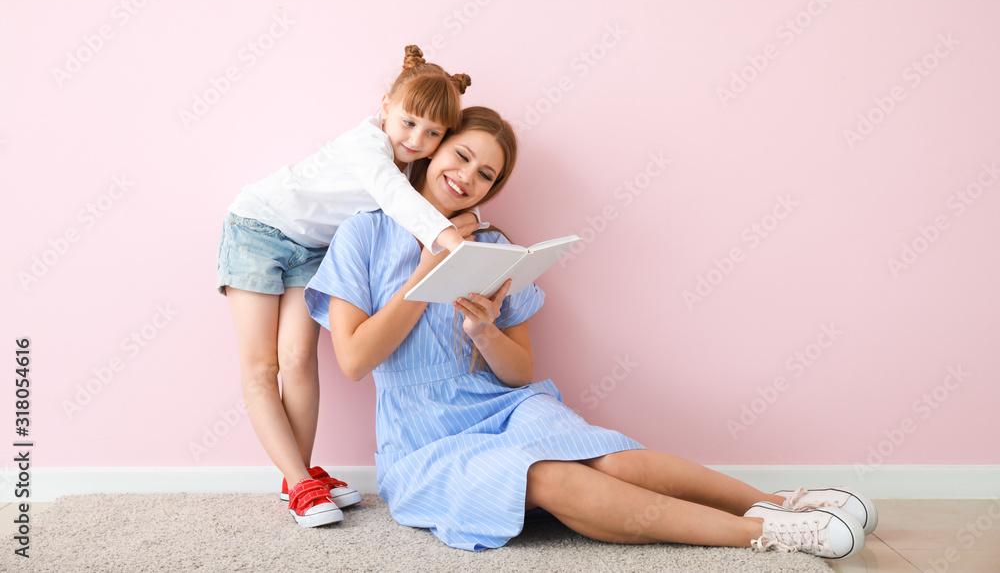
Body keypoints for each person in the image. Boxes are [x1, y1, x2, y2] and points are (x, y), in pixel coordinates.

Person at [303, 107, 878, 558]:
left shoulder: (495, 250)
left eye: (486, 174)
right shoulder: (363, 235)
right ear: (430, 151)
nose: (467, 178)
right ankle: (760, 535)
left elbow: (519, 372)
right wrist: (432, 262)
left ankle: (783, 504)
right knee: (549, 477)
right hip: (422, 441)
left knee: (609, 459)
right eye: (461, 156)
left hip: (501, 407)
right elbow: (354, 361)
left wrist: (483, 332)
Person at [216, 46, 476, 527]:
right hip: (258, 229)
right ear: (385, 106)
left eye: (433, 133)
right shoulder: (366, 145)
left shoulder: (405, 161)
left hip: (312, 249)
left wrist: (471, 217)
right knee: (262, 364)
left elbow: (419, 198)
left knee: (298, 359)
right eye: (408, 123)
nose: (417, 140)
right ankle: (299, 482)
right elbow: (398, 199)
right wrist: (448, 241)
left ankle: (298, 475)